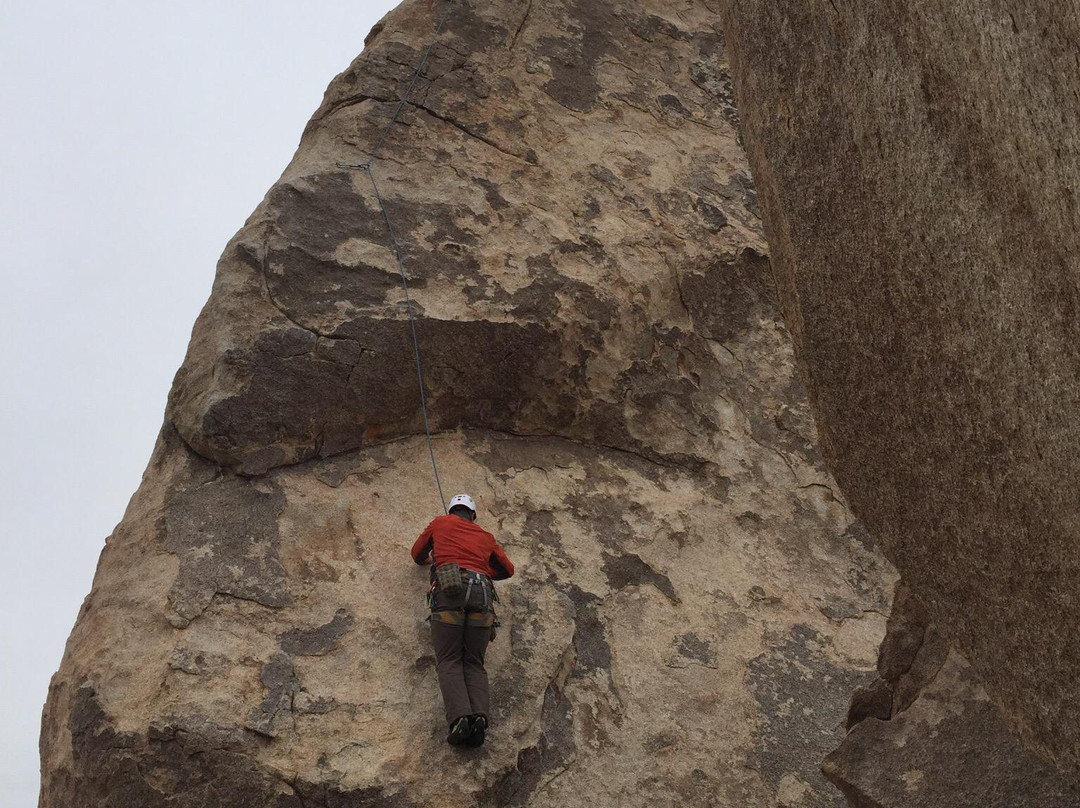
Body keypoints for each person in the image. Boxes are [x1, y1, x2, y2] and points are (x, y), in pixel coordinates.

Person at [411, 493, 514, 747]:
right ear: (473, 515)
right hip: (482, 595)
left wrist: (431, 559)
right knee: (474, 662)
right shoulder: (485, 536)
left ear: (451, 511)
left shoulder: (440, 523)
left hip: (450, 591)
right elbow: (508, 569)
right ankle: (479, 719)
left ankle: (459, 720)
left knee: (449, 660)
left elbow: (417, 553)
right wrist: (482, 570)